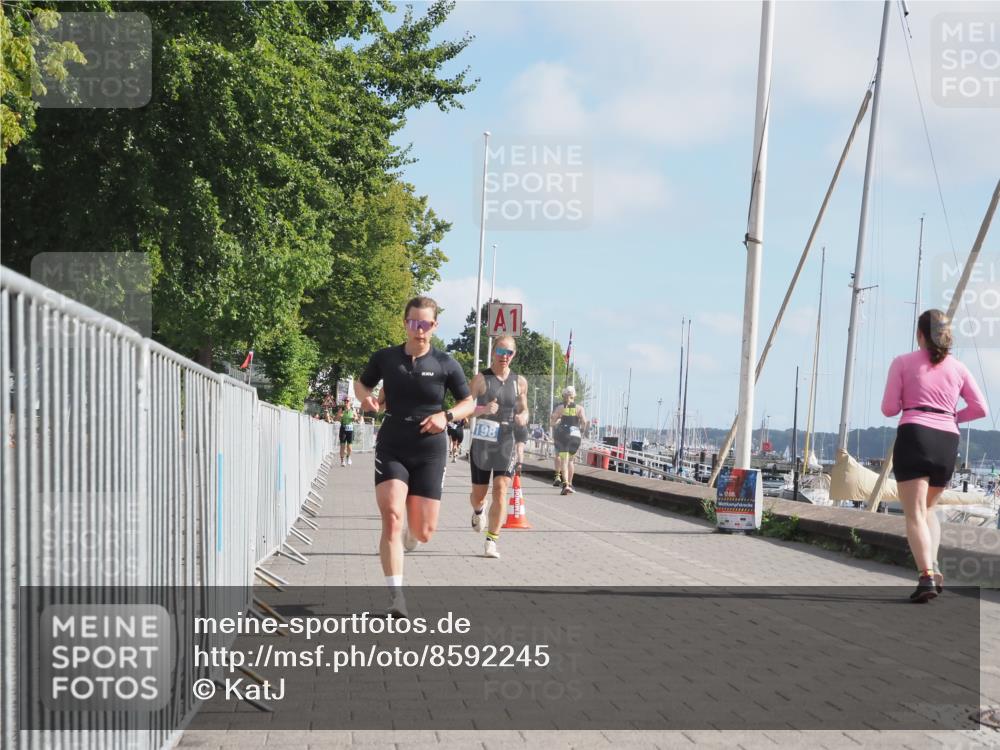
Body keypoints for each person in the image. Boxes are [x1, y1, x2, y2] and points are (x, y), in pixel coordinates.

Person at [355, 296, 475, 616]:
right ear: (405, 323)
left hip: (430, 449)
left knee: (423, 531)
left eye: (425, 324)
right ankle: (397, 597)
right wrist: (366, 399)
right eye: (413, 323)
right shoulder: (386, 358)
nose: (418, 330)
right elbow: (361, 384)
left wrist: (446, 417)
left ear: (434, 326)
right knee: (392, 517)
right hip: (393, 442)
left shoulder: (446, 363)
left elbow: (469, 403)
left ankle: (413, 533)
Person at [881, 309, 987, 603]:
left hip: (915, 433)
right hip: (947, 439)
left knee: (914, 512)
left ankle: (926, 576)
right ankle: (934, 565)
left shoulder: (902, 362)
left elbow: (889, 409)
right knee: (928, 510)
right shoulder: (959, 368)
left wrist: (910, 400)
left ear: (920, 335)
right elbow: (981, 409)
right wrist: (952, 415)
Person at [468, 336, 529, 559]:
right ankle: (478, 511)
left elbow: (525, 409)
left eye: (509, 353)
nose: (504, 357)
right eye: (501, 351)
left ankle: (491, 541)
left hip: (506, 440)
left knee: (502, 490)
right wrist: (482, 409)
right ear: (493, 352)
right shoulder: (480, 379)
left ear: (514, 355)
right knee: (479, 495)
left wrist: (523, 416)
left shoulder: (519, 382)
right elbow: (464, 409)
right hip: (483, 440)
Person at [551, 386, 586, 495]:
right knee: (571, 461)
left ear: (563, 396)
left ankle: (565, 484)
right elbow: (584, 422)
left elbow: (552, 422)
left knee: (564, 461)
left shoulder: (560, 408)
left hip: (563, 435)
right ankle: (570, 484)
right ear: (574, 396)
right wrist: (581, 430)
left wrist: (557, 423)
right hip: (575, 436)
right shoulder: (580, 408)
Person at [335, 398, 357, 467]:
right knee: (342, 446)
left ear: (350, 402)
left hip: (350, 429)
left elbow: (356, 417)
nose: (346, 402)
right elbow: (337, 418)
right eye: (345, 401)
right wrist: (339, 416)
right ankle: (342, 461)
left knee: (349, 447)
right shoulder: (341, 409)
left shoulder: (353, 409)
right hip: (343, 428)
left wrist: (354, 418)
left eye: (347, 401)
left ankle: (348, 456)